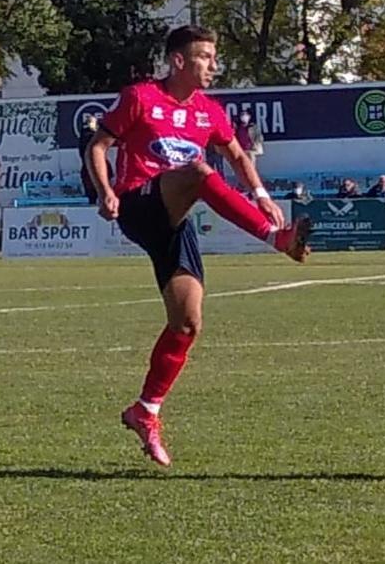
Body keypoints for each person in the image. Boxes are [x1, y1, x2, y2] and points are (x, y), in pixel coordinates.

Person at [84, 25, 312, 467]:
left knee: (187, 323)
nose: (214, 65)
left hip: (175, 219)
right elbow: (99, 144)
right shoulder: (140, 97)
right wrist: (106, 189)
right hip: (140, 202)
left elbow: (239, 155)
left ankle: (145, 410)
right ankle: (277, 240)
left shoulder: (209, 111)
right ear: (179, 62)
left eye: (213, 57)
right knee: (200, 172)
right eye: (205, 57)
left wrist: (262, 194)